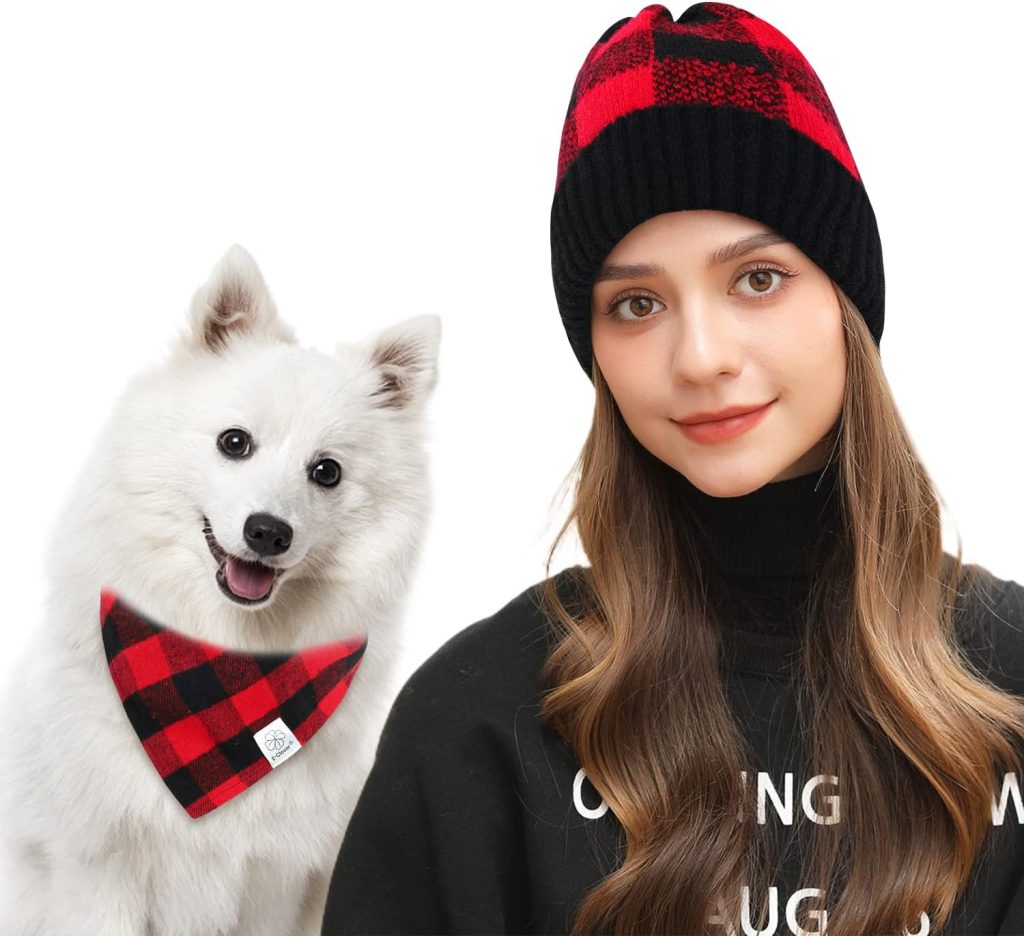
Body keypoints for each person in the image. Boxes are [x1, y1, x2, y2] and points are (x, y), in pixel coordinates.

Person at [320, 4, 1024, 934]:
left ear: (845, 297)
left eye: (757, 279)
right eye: (638, 302)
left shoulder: (1008, 685)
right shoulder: (479, 722)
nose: (700, 356)